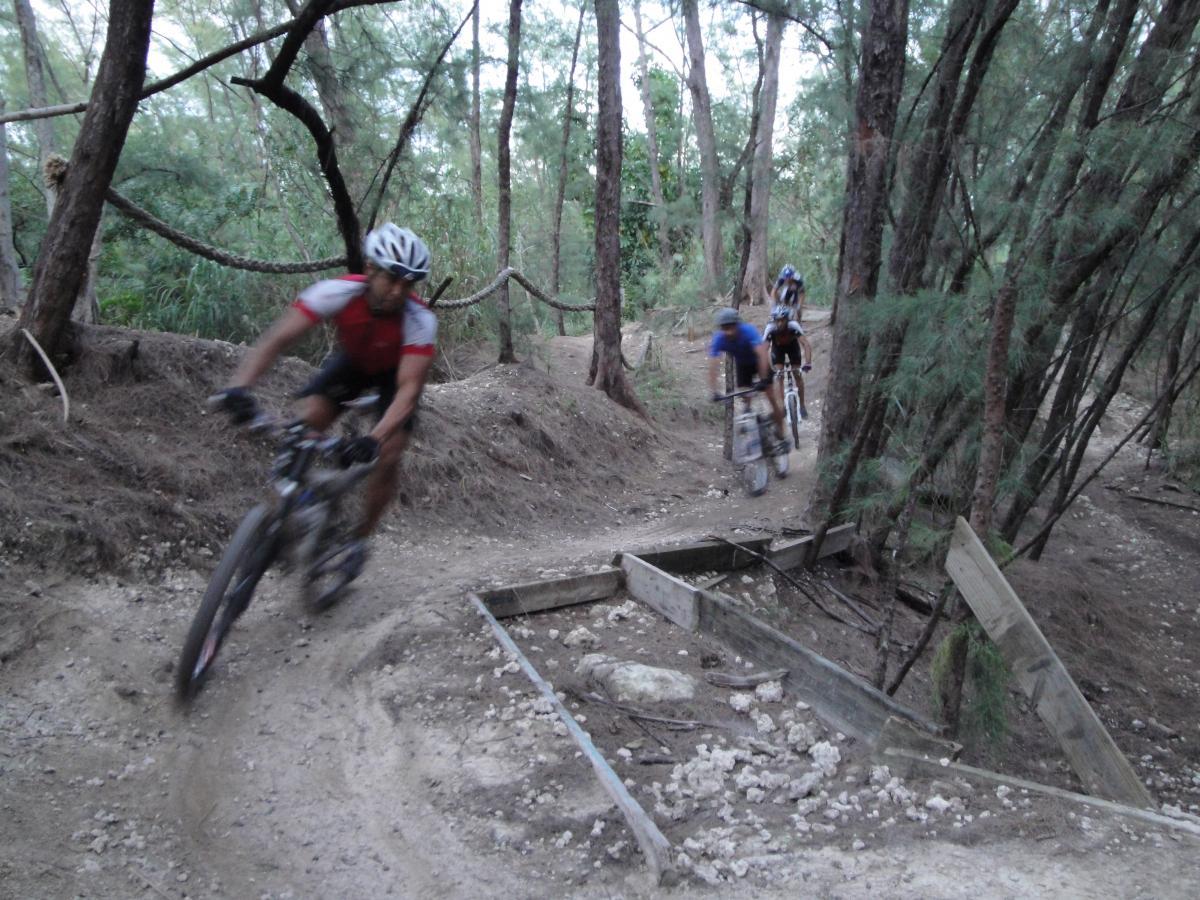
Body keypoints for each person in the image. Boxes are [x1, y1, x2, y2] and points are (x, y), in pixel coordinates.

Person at [215, 223, 437, 580]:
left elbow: (408, 391)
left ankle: (358, 541)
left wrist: (373, 439)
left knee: (390, 453)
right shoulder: (335, 293)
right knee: (307, 420)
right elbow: (276, 340)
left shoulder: (419, 320)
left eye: (407, 284)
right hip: (355, 361)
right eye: (392, 279)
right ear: (370, 270)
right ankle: (294, 506)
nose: (398, 291)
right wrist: (239, 387)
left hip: (394, 376)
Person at [707, 307, 786, 441]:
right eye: (725, 328)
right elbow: (713, 365)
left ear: (738, 325)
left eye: (732, 327)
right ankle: (750, 413)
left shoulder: (748, 331)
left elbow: (761, 354)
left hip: (759, 361)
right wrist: (714, 391)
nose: (729, 331)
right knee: (744, 394)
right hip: (742, 365)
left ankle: (781, 431)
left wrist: (764, 379)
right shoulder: (719, 339)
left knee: (771, 397)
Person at [763, 304, 813, 420]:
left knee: (797, 374)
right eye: (777, 320)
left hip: (792, 347)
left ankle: (802, 405)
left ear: (787, 319)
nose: (780, 323)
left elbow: (806, 344)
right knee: (779, 375)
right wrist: (769, 368)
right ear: (774, 320)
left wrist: (808, 363)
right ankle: (783, 406)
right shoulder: (770, 328)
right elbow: (764, 349)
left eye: (782, 320)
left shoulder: (793, 326)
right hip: (778, 349)